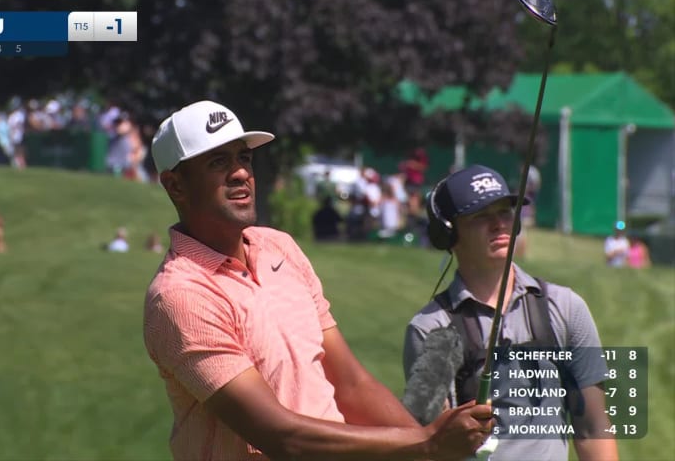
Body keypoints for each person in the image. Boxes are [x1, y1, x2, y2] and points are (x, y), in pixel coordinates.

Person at [143, 100, 493, 460]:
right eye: (218, 162)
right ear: (175, 185)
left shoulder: (279, 247)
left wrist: (426, 449)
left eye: (243, 157)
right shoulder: (180, 297)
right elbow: (281, 437)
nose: (240, 173)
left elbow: (350, 384)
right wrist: (428, 443)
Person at [404, 165, 618, 461]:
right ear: (448, 233)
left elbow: (593, 428)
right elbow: (433, 445)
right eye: (480, 216)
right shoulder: (430, 329)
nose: (499, 224)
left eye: (505, 212)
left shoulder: (566, 308)